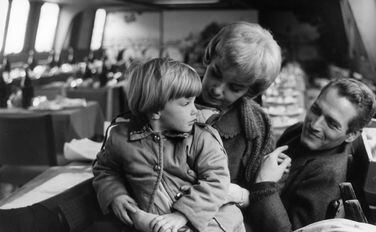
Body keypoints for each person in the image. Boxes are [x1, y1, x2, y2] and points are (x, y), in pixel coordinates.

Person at [0, 21, 287, 232]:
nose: (215, 89)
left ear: (250, 91)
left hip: (205, 214)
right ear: (209, 59)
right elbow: (124, 148)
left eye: (234, 87)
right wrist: (116, 194)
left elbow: (256, 194)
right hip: (141, 196)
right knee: (94, 190)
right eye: (215, 73)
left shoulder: (256, 127)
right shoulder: (173, 88)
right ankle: (38, 218)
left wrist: (234, 194)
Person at [91, 57, 244, 232]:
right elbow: (105, 170)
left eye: (194, 100)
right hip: (157, 225)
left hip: (212, 221)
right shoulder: (120, 138)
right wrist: (116, 195)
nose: (196, 110)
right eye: (186, 103)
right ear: (156, 110)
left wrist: (183, 215)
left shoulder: (202, 138)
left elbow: (217, 182)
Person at [248, 78, 376, 232]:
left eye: (331, 123)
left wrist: (264, 185)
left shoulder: (328, 176)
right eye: (316, 110)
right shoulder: (298, 131)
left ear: (351, 135)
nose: (315, 125)